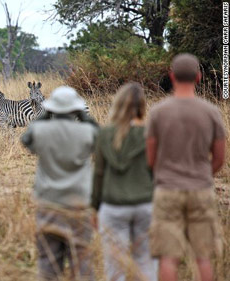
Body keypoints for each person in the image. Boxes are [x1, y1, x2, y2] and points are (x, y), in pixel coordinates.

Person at [146, 54, 226, 281]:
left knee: (168, 257)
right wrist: (202, 175)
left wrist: (163, 175)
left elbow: (150, 158)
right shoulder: (211, 112)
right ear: (199, 77)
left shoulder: (158, 112)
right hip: (201, 189)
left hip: (167, 189)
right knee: (203, 257)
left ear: (171, 76)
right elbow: (219, 158)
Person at [21, 86, 98, 281]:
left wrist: (45, 115)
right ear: (76, 109)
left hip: (48, 205)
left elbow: (26, 139)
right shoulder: (87, 131)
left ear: (51, 109)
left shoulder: (41, 131)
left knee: (48, 264)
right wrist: (85, 116)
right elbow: (102, 137)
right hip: (79, 205)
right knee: (82, 264)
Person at [92, 82, 157, 281]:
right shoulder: (150, 134)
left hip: (113, 207)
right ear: (143, 106)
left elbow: (98, 175)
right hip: (145, 205)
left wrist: (93, 207)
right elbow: (156, 173)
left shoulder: (104, 134)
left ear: (117, 104)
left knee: (115, 268)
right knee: (146, 265)